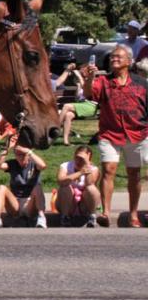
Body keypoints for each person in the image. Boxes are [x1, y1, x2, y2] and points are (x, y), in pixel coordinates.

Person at [82, 44, 147, 227]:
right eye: (112, 57)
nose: (114, 59)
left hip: (137, 134)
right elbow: (88, 93)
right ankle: (106, 212)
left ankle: (133, 214)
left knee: (134, 174)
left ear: (129, 60)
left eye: (118, 56)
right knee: (108, 170)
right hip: (110, 134)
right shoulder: (103, 82)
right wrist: (89, 78)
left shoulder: (141, 83)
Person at [0, 136, 48, 229]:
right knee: (2, 187)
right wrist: (7, 149)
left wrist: (29, 151)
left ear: (28, 154)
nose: (20, 157)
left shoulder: (33, 164)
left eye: (23, 154)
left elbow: (43, 166)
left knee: (38, 187)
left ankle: (41, 217)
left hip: (30, 203)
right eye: (17, 154)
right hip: (15, 202)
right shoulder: (12, 163)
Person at [56, 145, 102, 228]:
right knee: (65, 186)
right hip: (68, 203)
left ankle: (92, 216)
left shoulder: (94, 169)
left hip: (85, 205)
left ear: (89, 158)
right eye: (77, 157)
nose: (78, 160)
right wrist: (80, 173)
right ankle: (65, 217)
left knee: (91, 188)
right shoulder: (65, 166)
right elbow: (60, 181)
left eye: (82, 158)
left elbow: (89, 183)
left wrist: (87, 165)